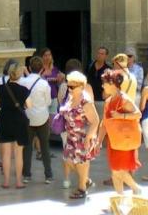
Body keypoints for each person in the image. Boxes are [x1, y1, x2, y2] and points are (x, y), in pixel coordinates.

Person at [97, 69, 142, 194]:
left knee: (117, 170)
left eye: (104, 83)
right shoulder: (108, 101)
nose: (102, 85)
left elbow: (138, 114)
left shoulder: (124, 99)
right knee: (114, 172)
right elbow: (104, 123)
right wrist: (98, 140)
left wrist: (120, 116)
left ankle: (136, 189)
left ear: (112, 83)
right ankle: (120, 200)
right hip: (114, 141)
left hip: (123, 141)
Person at [61, 71, 100, 200]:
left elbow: (95, 121)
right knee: (68, 162)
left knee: (81, 163)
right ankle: (86, 180)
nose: (69, 88)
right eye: (68, 85)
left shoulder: (85, 101)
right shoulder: (71, 97)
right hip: (71, 136)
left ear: (81, 86)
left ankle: (82, 188)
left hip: (82, 138)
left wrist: (89, 137)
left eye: (72, 86)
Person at [0, 61, 32, 189]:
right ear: (19, 75)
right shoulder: (23, 90)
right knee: (18, 153)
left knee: (6, 153)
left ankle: (6, 181)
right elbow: (29, 105)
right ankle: (18, 181)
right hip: (19, 121)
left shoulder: (0, 89)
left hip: (4, 119)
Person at [22, 57, 53, 184]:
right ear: (42, 69)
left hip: (27, 117)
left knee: (27, 147)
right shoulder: (44, 84)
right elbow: (48, 102)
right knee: (45, 147)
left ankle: (27, 174)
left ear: (29, 68)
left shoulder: (23, 82)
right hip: (42, 118)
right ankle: (48, 175)